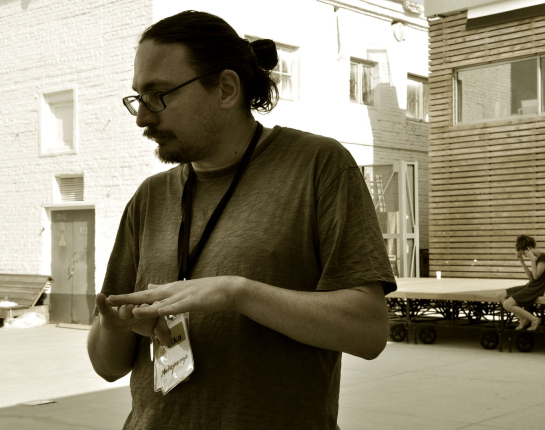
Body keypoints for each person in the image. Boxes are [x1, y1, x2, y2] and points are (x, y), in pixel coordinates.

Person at [86, 10, 396, 430]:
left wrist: (238, 294)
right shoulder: (150, 197)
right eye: (138, 97)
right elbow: (107, 366)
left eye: (159, 94)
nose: (143, 116)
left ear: (226, 88)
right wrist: (115, 324)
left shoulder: (318, 166)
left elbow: (369, 331)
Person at [496, 235, 545, 331]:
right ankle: (523, 318)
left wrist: (532, 259)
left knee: (507, 304)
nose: (523, 254)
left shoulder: (543, 257)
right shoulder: (536, 257)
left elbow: (536, 276)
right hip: (530, 285)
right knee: (500, 295)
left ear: (528, 248)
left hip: (536, 289)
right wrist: (521, 261)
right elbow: (531, 276)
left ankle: (534, 319)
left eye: (523, 253)